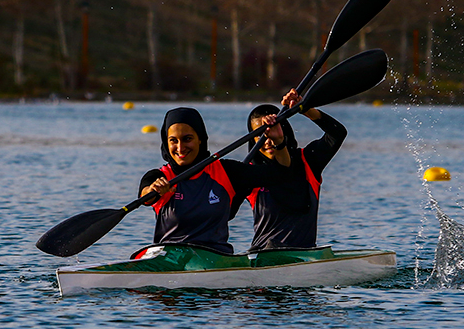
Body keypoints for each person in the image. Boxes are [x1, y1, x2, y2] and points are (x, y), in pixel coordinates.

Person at [137, 107, 281, 254]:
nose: (180, 148)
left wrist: (278, 140)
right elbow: (145, 197)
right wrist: (153, 191)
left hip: (215, 259)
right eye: (173, 141)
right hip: (170, 259)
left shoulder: (226, 172)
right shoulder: (159, 177)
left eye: (187, 139)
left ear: (200, 139)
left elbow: (281, 172)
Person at [244, 89, 347, 250]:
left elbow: (337, 133)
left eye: (272, 131)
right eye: (262, 135)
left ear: (283, 130)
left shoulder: (308, 161)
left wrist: (304, 108)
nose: (268, 140)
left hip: (304, 256)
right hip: (262, 256)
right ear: (253, 140)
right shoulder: (248, 172)